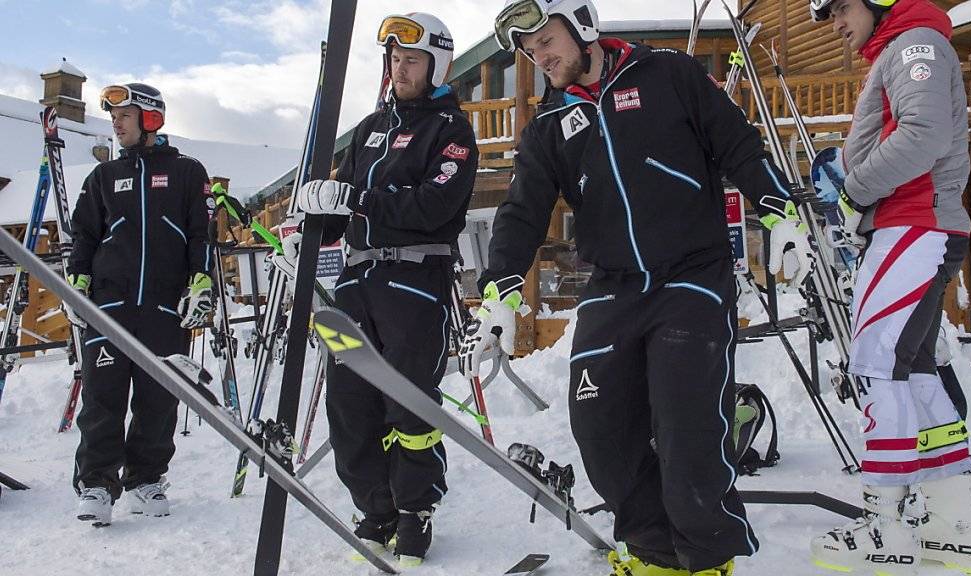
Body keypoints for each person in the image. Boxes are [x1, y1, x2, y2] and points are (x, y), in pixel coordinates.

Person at [461, 1, 816, 574]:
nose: (540, 56)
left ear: (582, 26)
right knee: (600, 428)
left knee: (686, 429)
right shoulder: (550, 125)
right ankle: (655, 555)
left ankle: (705, 558)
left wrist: (779, 213)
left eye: (546, 40)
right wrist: (500, 291)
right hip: (614, 287)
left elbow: (737, 143)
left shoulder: (668, 74)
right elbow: (521, 213)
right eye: (528, 51)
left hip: (691, 276)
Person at [276, 13, 477, 566]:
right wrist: (308, 227)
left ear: (438, 64)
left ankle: (414, 513)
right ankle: (376, 508)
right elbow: (337, 204)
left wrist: (356, 201)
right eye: (394, 59)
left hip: (415, 284)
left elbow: (435, 206)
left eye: (412, 60)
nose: (400, 69)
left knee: (407, 402)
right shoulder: (368, 129)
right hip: (357, 288)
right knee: (349, 406)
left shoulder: (451, 130)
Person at [808, 0, 971, 573]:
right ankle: (953, 525)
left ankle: (885, 528)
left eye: (838, 8)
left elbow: (923, 134)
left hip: (913, 225)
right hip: (914, 225)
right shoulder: (902, 49)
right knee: (911, 371)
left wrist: (855, 189)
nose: (834, 23)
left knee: (874, 365)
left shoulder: (915, 45)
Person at [66, 83, 214, 527]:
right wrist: (79, 279)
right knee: (102, 398)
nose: (116, 122)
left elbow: (201, 232)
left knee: (158, 398)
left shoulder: (187, 172)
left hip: (165, 307)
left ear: (151, 118)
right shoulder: (104, 177)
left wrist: (201, 279)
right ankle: (96, 484)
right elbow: (85, 235)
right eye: (113, 116)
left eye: (124, 114)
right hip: (109, 306)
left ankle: (145, 480)